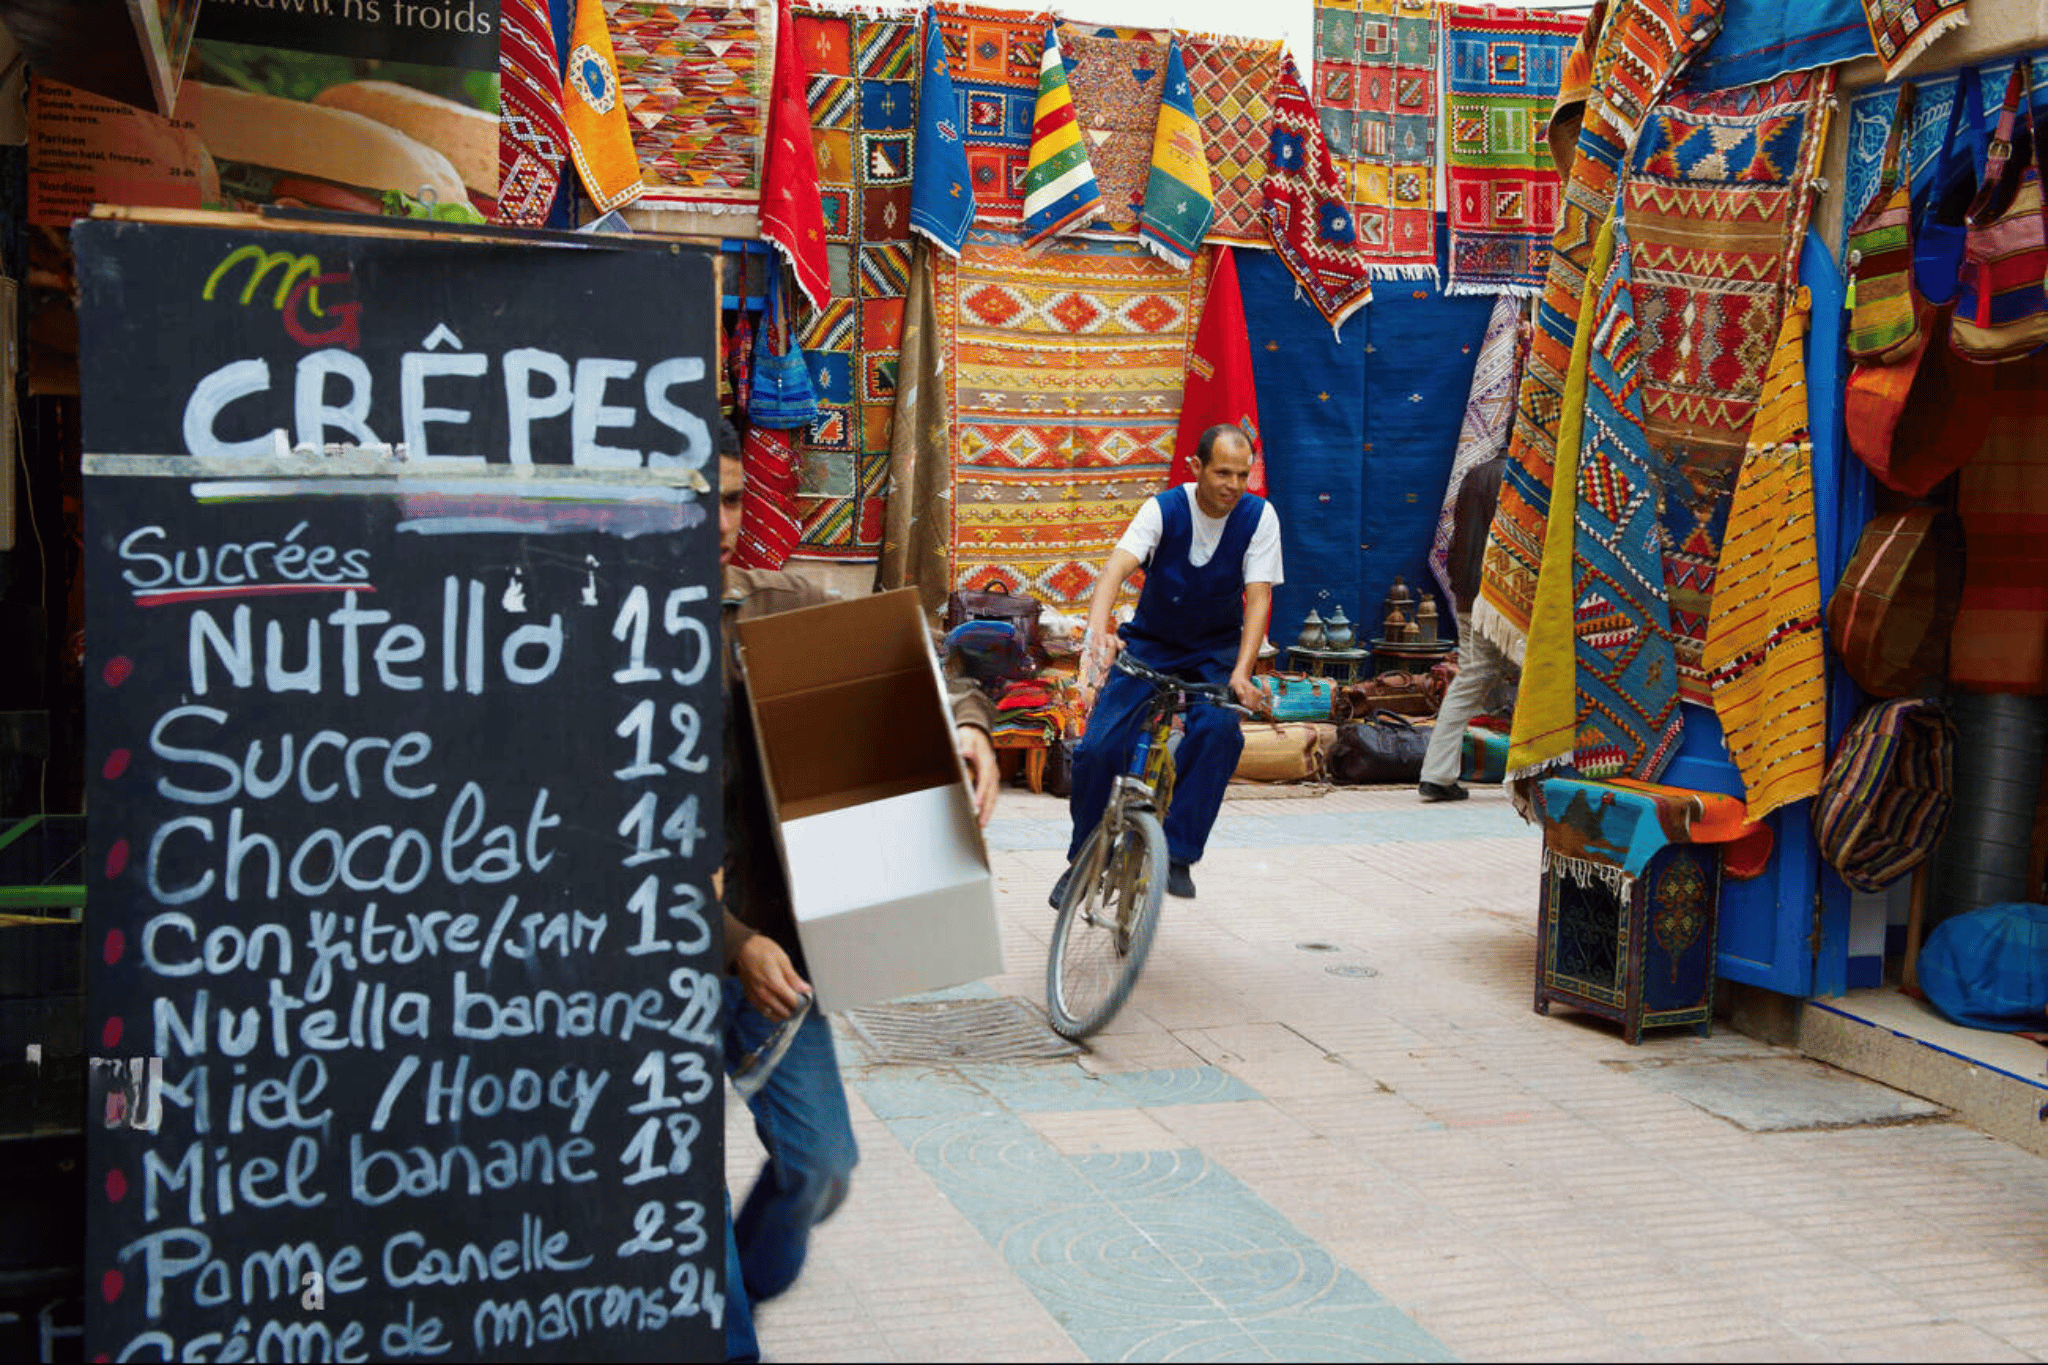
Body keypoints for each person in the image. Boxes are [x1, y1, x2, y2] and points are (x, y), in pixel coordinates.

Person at [713, 420, 1001, 1360]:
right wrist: (728, 938)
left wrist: (964, 725)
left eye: (724, 498)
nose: (712, 521)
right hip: (653, 957)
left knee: (822, 1164)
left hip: (780, 954)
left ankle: (745, 1284)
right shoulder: (595, 642)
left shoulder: (774, 605)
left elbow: (916, 648)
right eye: (690, 497)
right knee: (674, 1195)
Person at [1052, 424, 1281, 906]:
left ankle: (1176, 853)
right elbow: (1115, 569)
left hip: (1214, 655)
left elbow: (1258, 599)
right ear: (1195, 468)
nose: (1233, 486)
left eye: (1243, 475)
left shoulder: (1260, 519)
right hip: (1150, 645)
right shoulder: (1163, 509)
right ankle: (1083, 859)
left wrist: (1241, 672)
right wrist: (1099, 638)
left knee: (1220, 732)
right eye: (1222, 472)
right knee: (1096, 750)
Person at [1419, 448, 1518, 802]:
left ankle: (1437, 774)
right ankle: (1530, 772)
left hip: (1467, 595)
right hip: (1506, 598)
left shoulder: (1476, 475)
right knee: (1534, 679)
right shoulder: (1525, 479)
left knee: (1470, 680)